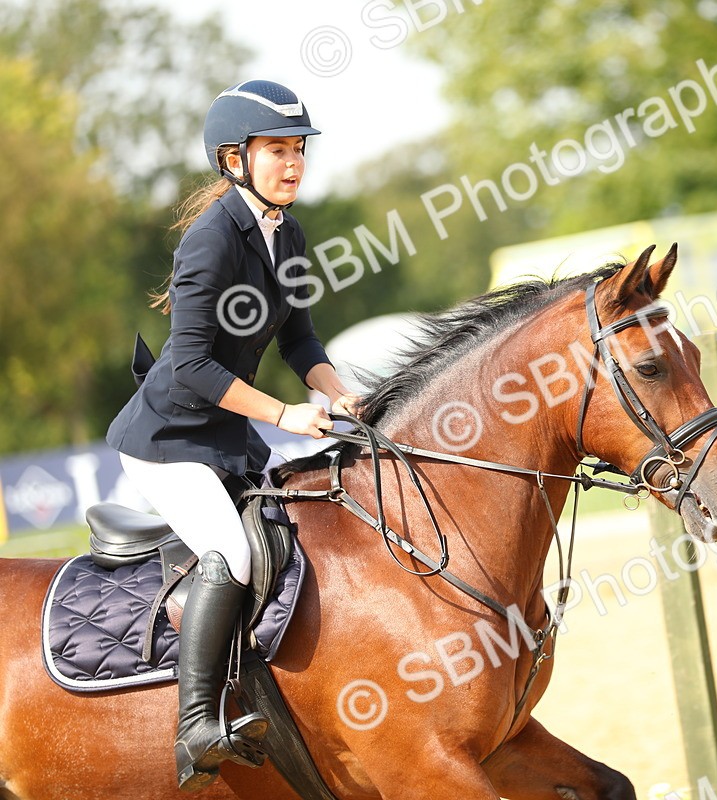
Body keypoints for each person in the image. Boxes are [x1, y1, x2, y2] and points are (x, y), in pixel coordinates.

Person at [106, 79, 360, 792]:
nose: (293, 163)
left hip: (225, 441)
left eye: (298, 150)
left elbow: (302, 342)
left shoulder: (288, 233)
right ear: (233, 158)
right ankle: (196, 726)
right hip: (168, 441)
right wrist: (285, 415)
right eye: (277, 150)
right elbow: (188, 365)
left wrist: (346, 395)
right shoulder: (211, 239)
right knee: (233, 553)